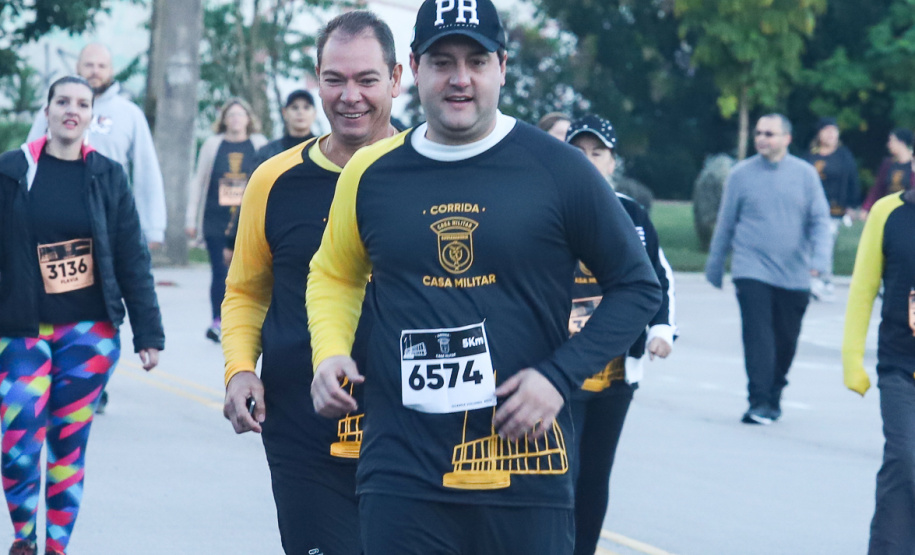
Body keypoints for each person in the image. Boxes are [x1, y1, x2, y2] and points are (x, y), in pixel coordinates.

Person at [306, 1, 662, 553]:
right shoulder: (370, 172)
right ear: (415, 69)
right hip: (401, 469)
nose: (460, 79)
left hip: (523, 470)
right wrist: (329, 352)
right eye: (443, 62)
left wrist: (559, 377)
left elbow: (638, 286)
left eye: (476, 61)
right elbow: (334, 273)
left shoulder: (558, 170)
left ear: (502, 66)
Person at [221, 11, 401, 554]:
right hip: (302, 426)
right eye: (335, 79)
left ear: (395, 79)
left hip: (408, 430)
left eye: (367, 80)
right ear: (316, 78)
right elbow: (248, 289)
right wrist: (238, 371)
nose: (351, 96)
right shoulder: (273, 179)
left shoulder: (427, 171)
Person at [0, 75, 164, 555]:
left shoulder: (107, 175)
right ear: (47, 110)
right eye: (63, 101)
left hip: (89, 333)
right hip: (22, 331)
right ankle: (24, 534)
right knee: (19, 441)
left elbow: (132, 256)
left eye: (82, 104)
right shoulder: (14, 170)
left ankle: (55, 547)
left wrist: (148, 333)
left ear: (92, 115)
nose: (72, 110)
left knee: (68, 445)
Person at [564, 114, 677, 555]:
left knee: (594, 476)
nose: (589, 161)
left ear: (613, 162)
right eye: (579, 152)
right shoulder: (549, 205)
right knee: (558, 476)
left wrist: (661, 330)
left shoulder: (631, 214)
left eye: (598, 153)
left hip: (614, 378)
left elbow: (657, 280)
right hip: (561, 372)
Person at [705, 113, 832, 425]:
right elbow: (726, 222)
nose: (762, 138)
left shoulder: (805, 175)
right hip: (751, 269)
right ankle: (758, 401)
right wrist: (715, 263)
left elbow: (819, 221)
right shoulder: (740, 175)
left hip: (794, 274)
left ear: (787, 139)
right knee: (758, 335)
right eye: (759, 133)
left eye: (770, 134)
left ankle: (773, 394)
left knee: (786, 341)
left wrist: (820, 263)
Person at [27, 44, 166, 250]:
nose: (95, 71)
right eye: (89, 65)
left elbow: (146, 171)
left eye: (102, 66)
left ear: (111, 71)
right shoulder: (53, 110)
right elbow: (30, 160)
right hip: (55, 214)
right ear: (77, 67)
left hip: (109, 217)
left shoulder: (130, 114)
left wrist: (153, 227)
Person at [842, 185, 915, 554]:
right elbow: (863, 287)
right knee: (904, 461)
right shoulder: (888, 212)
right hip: (900, 366)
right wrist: (852, 358)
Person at [185, 98, 267, 343]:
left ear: (248, 119)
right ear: (224, 120)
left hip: (248, 220)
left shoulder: (259, 144)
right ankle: (218, 321)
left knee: (250, 272)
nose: (235, 120)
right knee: (220, 271)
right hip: (216, 219)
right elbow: (199, 182)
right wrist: (191, 218)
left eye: (240, 115)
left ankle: (248, 321)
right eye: (230, 115)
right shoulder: (213, 144)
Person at [222, 90, 318, 265]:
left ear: (315, 113)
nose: (300, 112)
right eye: (294, 107)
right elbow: (251, 197)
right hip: (275, 238)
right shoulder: (267, 153)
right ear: (284, 113)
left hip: (317, 236)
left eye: (306, 107)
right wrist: (232, 240)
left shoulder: (324, 150)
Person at [804, 116, 861, 301]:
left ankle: (824, 280)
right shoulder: (810, 155)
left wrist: (852, 206)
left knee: (825, 242)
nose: (830, 134)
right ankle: (813, 278)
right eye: (826, 130)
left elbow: (853, 180)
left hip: (833, 210)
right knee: (809, 243)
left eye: (833, 130)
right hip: (810, 208)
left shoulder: (844, 156)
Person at [862, 128, 914, 215]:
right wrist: (866, 208)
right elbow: (878, 188)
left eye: (892, 141)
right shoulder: (888, 164)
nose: (889, 144)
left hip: (908, 211)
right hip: (889, 211)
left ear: (901, 142)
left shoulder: (912, 164)